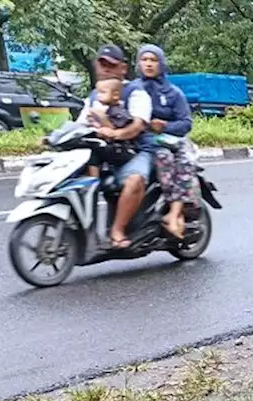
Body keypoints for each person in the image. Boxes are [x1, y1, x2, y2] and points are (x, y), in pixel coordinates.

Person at [78, 45, 153, 249]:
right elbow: (79, 125)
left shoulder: (135, 93)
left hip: (134, 151)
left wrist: (117, 134)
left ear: (123, 68)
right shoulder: (93, 96)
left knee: (135, 180)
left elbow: (137, 125)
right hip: (103, 153)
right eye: (102, 64)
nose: (106, 69)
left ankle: (117, 231)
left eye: (111, 65)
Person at [128, 44, 195, 239]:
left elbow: (185, 123)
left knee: (170, 159)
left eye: (153, 60)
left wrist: (164, 126)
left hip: (166, 144)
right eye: (145, 60)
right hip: (137, 143)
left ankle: (174, 214)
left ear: (161, 64)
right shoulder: (132, 89)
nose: (148, 64)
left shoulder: (173, 93)